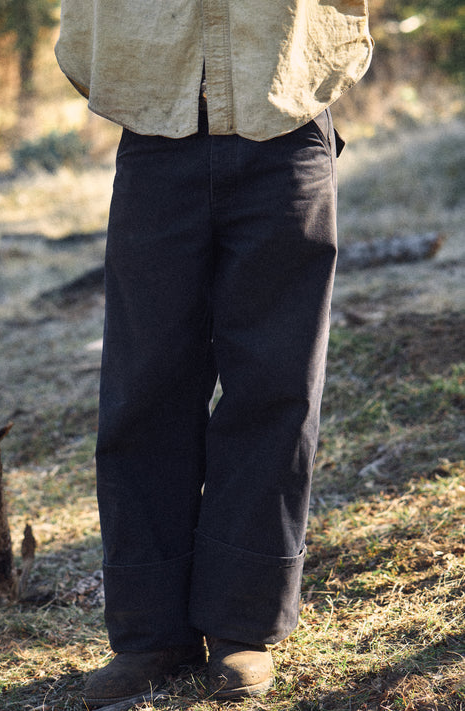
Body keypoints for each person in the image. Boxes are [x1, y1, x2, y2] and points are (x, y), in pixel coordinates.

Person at [55, 3, 372, 709]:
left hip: (285, 118)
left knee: (275, 385)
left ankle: (241, 625)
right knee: (144, 388)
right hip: (154, 122)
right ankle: (150, 635)